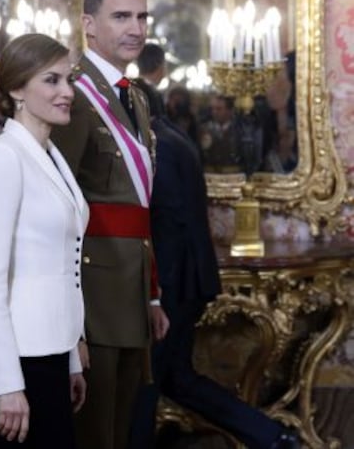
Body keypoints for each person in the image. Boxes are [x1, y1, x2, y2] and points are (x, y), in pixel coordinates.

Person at [129, 43, 302, 449]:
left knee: (146, 382)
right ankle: (271, 436)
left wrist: (154, 298)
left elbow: (167, 229)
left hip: (172, 286)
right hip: (187, 281)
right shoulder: (174, 140)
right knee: (176, 378)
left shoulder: (160, 149)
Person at [51, 0, 169, 449]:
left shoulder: (135, 97)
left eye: (141, 16)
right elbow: (58, 205)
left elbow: (139, 206)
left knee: (121, 424)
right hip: (92, 290)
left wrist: (153, 294)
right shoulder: (72, 96)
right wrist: (69, 316)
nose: (136, 28)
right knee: (94, 428)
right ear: (89, 24)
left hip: (131, 284)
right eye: (121, 16)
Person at [0, 33, 88, 448]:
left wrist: (71, 357)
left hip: (52, 354)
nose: (67, 92)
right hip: (19, 361)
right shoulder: (2, 159)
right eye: (52, 80)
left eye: (68, 80)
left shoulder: (51, 155)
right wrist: (6, 385)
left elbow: (62, 267)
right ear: (17, 89)